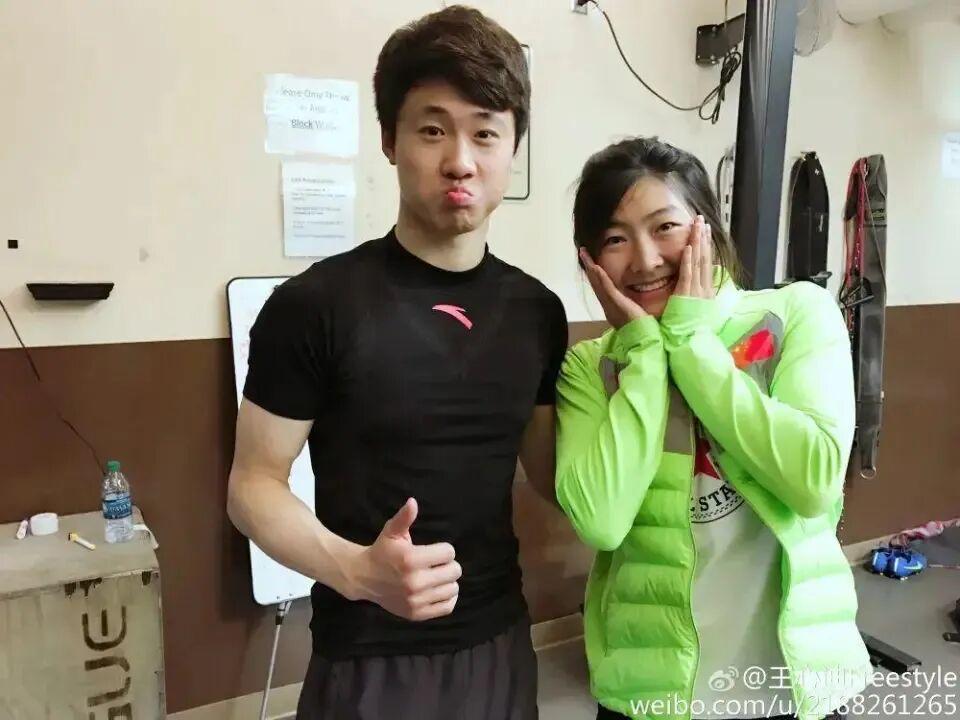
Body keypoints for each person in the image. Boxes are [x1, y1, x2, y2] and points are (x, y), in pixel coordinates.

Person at [226, 6, 567, 720]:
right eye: (433, 129)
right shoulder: (314, 305)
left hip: (500, 645)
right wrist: (356, 570)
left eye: (486, 132)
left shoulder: (537, 311)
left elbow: (550, 474)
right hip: (368, 658)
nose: (461, 160)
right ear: (389, 140)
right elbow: (252, 487)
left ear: (514, 145)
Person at [554, 137, 872, 720]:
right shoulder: (591, 367)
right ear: (590, 260)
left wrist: (691, 343)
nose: (645, 260)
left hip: (790, 688)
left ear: (707, 227)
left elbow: (813, 481)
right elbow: (600, 521)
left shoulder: (796, 314)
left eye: (665, 227)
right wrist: (645, 355)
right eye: (616, 239)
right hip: (650, 693)